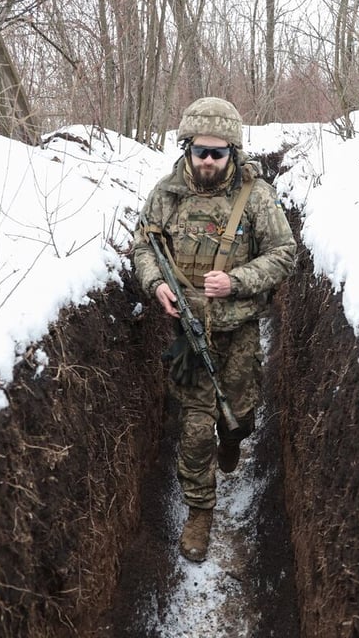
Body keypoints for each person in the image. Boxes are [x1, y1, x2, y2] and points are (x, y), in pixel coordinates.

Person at [131, 97, 297, 562]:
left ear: (232, 151)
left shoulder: (256, 197)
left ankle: (235, 441)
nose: (207, 160)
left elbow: (284, 253)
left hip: (239, 328)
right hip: (188, 330)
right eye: (199, 151)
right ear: (187, 148)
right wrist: (156, 282)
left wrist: (237, 281)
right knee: (196, 425)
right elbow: (143, 245)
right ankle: (199, 511)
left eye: (217, 152)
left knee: (240, 414)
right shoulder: (166, 194)